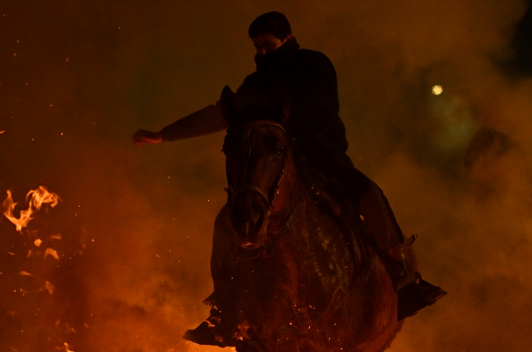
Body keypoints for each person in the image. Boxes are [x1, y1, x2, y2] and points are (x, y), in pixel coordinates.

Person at [133, 11, 445, 320]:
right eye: (257, 48)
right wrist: (165, 134)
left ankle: (405, 279)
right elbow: (220, 114)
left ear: (288, 39)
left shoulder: (314, 65)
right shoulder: (255, 82)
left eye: (268, 44)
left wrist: (270, 108)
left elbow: (316, 104)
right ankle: (226, 303)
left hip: (324, 159)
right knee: (228, 219)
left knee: (371, 195)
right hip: (275, 168)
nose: (262, 53)